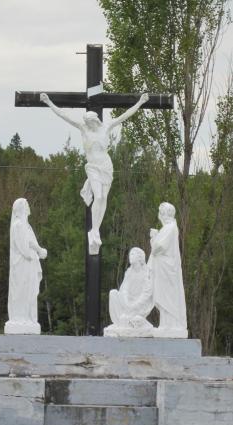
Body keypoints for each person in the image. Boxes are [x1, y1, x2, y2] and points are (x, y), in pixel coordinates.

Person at [40, 91, 149, 253]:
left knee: (103, 197)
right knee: (97, 196)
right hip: (92, 167)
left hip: (106, 166)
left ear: (95, 120)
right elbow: (65, 115)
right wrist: (49, 102)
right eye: (87, 123)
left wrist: (140, 103)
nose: (89, 125)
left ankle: (96, 228)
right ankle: (94, 228)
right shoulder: (83, 128)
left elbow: (124, 115)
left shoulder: (106, 127)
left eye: (90, 122)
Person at [4, 198, 47, 334]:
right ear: (21, 208)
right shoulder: (18, 225)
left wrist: (39, 250)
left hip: (29, 265)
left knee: (29, 292)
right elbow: (24, 247)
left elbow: (31, 243)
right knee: (21, 290)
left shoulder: (27, 226)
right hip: (22, 265)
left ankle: (29, 318)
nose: (29, 207)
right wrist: (38, 251)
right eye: (26, 205)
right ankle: (19, 318)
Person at [149, 202, 187, 334]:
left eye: (161, 213)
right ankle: (166, 325)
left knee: (167, 297)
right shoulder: (170, 227)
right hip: (166, 267)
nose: (160, 215)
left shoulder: (169, 228)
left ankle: (171, 326)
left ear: (165, 214)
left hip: (166, 269)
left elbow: (159, 247)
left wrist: (154, 238)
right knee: (165, 296)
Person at [107, 247, 153, 331]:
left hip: (139, 305)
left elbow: (147, 293)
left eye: (132, 254)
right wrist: (126, 302)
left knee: (132, 316)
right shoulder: (129, 272)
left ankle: (130, 319)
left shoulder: (146, 273)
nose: (130, 256)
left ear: (139, 257)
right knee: (113, 293)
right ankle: (120, 322)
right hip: (127, 302)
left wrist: (135, 305)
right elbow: (124, 289)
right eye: (130, 254)